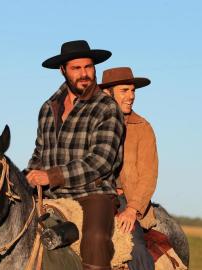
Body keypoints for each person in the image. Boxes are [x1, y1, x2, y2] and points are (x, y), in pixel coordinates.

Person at [26, 40, 124, 270]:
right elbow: (40, 152)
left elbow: (101, 161)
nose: (84, 74)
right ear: (63, 70)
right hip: (49, 194)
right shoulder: (47, 108)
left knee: (96, 241)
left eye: (88, 67)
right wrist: (28, 175)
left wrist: (51, 176)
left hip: (92, 194)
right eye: (76, 68)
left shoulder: (107, 107)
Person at [100, 67, 158, 270]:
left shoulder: (142, 127)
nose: (131, 96)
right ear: (108, 93)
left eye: (133, 91)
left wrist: (132, 210)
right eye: (124, 90)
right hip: (93, 198)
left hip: (126, 201)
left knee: (137, 251)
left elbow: (148, 175)